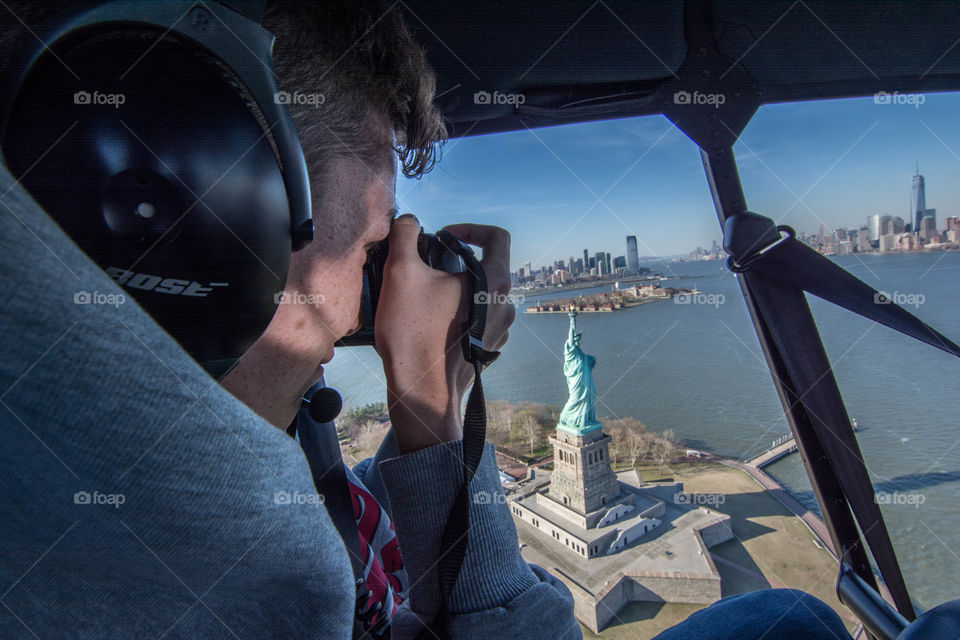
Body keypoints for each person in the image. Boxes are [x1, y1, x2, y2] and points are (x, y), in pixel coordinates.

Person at [0, 1, 853, 639]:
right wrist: (439, 416)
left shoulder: (107, 437)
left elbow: (339, 520)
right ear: (212, 223)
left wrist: (417, 420)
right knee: (796, 623)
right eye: (373, 244)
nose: (363, 304)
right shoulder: (218, 559)